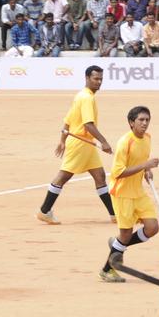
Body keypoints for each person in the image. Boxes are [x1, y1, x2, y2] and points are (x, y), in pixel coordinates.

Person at [36, 65, 117, 234]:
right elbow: (88, 124)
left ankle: (114, 214)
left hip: (85, 144)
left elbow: (68, 120)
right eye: (96, 79)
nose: (99, 82)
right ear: (87, 78)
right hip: (81, 143)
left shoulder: (81, 95)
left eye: (101, 79)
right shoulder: (86, 98)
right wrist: (104, 142)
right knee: (63, 176)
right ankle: (44, 211)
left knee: (100, 176)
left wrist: (62, 140)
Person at [104, 106, 159, 282]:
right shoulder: (124, 143)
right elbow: (118, 173)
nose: (145, 123)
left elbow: (141, 160)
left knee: (152, 228)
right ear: (131, 123)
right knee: (126, 233)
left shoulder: (148, 138)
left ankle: (118, 244)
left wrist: (146, 171)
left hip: (138, 192)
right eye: (141, 120)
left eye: (147, 120)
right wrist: (145, 166)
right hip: (122, 194)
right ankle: (107, 270)